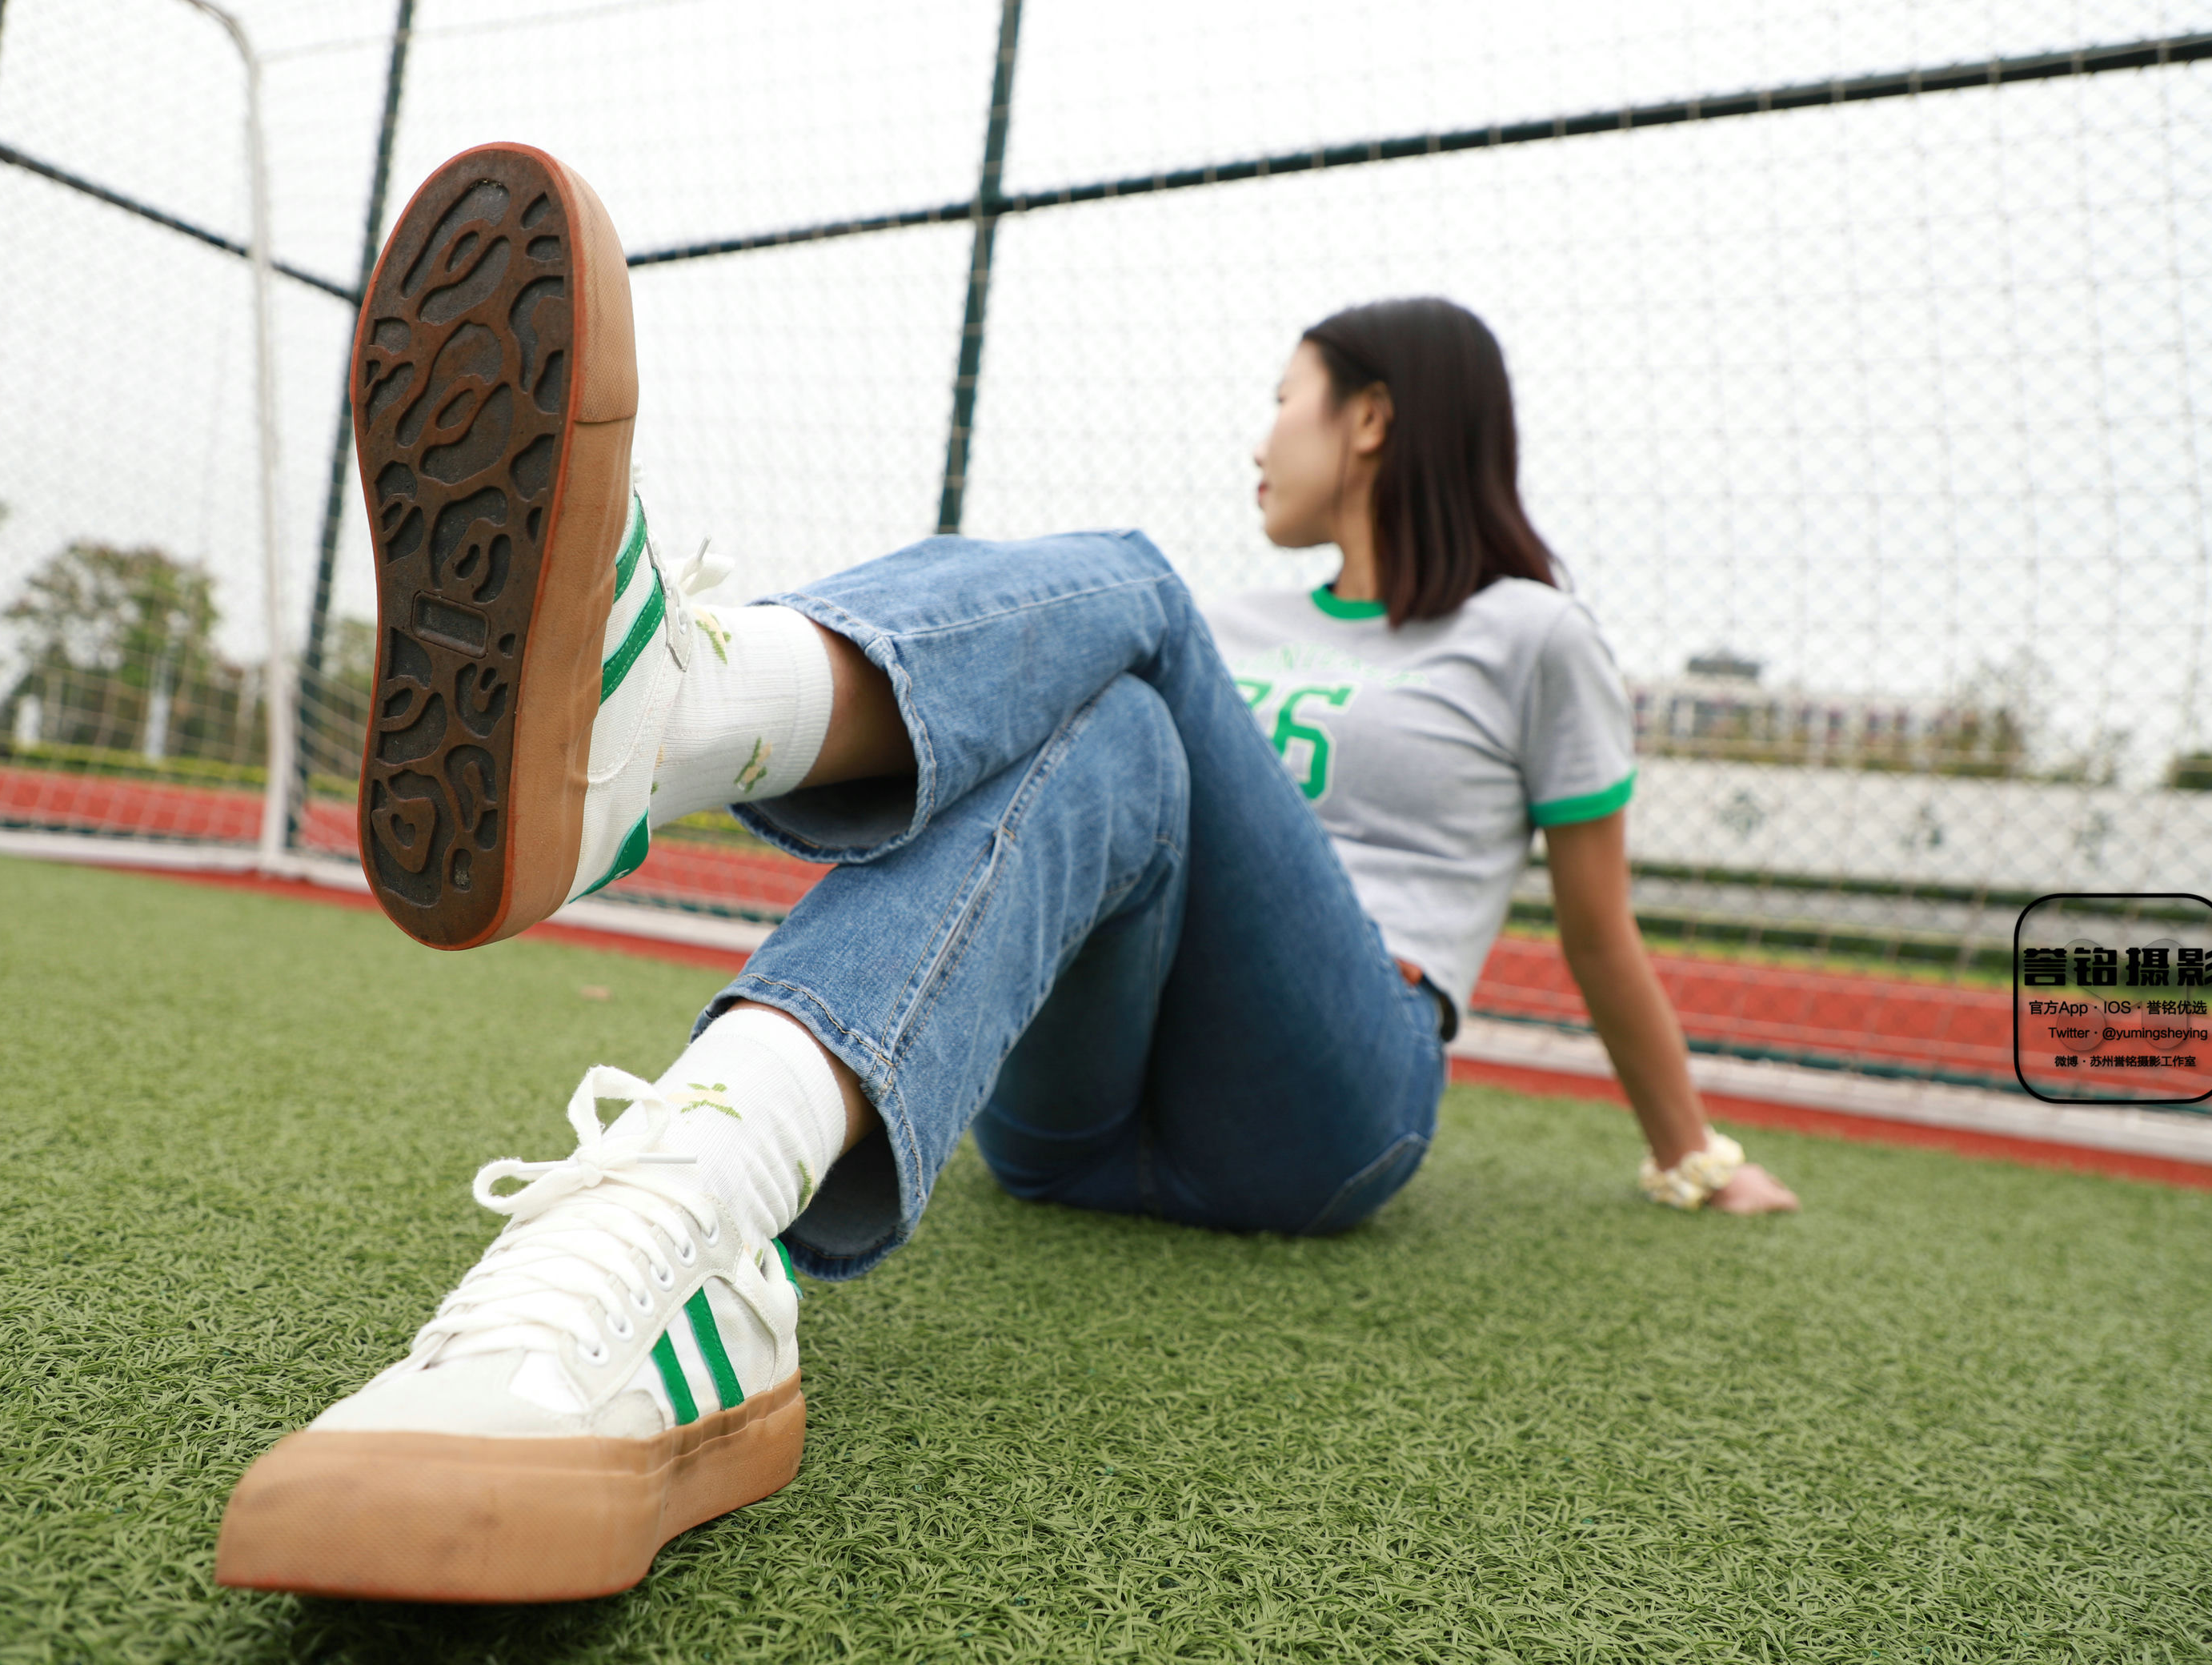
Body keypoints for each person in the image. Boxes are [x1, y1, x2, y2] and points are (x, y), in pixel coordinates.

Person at [213, 142, 1797, 1604]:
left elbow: (1598, 928)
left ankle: (688, 712)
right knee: (1114, 726)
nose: (1263, 437)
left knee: (1134, 601)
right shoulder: (1238, 627)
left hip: (1328, 1096)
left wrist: (1693, 1151)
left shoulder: (1530, 635)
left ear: (1372, 418)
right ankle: (683, 1184)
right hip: (1076, 1122)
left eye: (1288, 400)